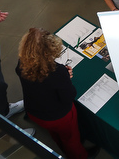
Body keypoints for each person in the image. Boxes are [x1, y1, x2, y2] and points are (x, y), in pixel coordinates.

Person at [16, 28, 97, 159]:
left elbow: (40, 78)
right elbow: (69, 96)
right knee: (71, 140)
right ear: (50, 51)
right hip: (58, 118)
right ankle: (80, 156)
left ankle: (64, 149)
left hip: (35, 112)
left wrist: (62, 75)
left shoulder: (22, 63)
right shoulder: (57, 72)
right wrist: (65, 77)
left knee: (56, 135)